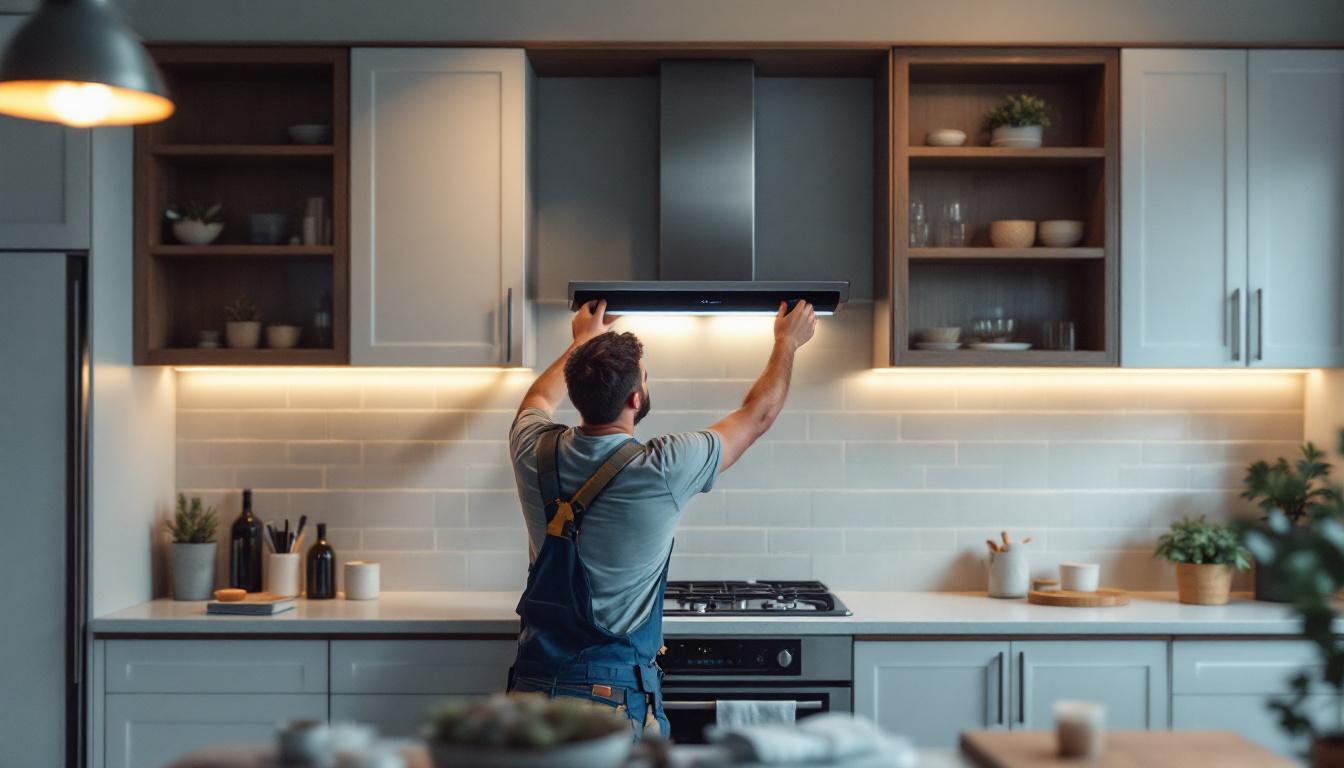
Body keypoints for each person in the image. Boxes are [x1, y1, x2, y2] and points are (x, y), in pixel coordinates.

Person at [506, 298, 818, 739]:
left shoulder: (531, 450)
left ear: (576, 394)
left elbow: (538, 397)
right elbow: (757, 416)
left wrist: (582, 341)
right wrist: (787, 343)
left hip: (531, 692)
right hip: (612, 701)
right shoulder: (663, 467)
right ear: (636, 397)